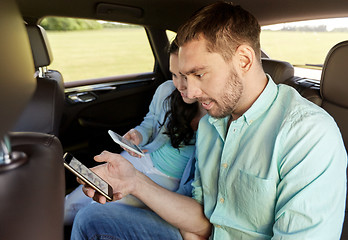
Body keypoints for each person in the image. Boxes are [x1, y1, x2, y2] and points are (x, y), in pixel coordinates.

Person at [72, 1, 347, 239]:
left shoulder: (308, 135)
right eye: (184, 76)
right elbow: (204, 220)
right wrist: (134, 182)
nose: (189, 93)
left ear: (243, 60)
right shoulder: (210, 125)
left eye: (200, 75)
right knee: (90, 219)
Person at [64, 39, 206, 225]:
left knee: (96, 208)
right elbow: (151, 121)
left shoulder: (215, 116)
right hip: (139, 158)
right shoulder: (166, 91)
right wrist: (139, 135)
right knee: (71, 204)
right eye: (174, 75)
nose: (179, 85)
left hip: (167, 181)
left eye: (185, 76)